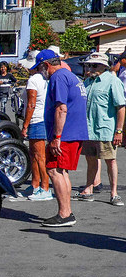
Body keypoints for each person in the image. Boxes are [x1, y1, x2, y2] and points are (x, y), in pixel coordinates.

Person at [37, 48, 88, 227]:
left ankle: (65, 214)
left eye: (40, 67)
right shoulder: (71, 76)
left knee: (54, 169)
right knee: (61, 170)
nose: (39, 72)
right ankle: (67, 212)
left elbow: (61, 108)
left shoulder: (58, 77)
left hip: (65, 134)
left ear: (47, 64)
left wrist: (56, 136)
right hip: (74, 132)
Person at [74, 53, 126, 206]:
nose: (91, 68)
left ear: (104, 66)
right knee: (91, 160)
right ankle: (89, 189)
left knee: (111, 160)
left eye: (95, 65)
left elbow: (121, 107)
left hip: (106, 129)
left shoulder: (113, 81)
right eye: (89, 65)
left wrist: (119, 131)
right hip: (89, 129)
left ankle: (114, 193)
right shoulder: (88, 82)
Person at [21, 57, 52, 201]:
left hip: (36, 120)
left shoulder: (34, 80)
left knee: (39, 156)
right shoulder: (47, 80)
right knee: (34, 155)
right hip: (44, 119)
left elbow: (31, 104)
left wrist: (25, 125)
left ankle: (45, 187)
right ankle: (35, 184)